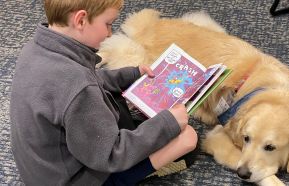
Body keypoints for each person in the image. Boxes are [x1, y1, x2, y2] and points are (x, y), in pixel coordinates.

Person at [9, 0, 198, 185]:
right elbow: (110, 155)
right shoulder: (79, 86)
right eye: (108, 24)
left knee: (117, 100)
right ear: (81, 20)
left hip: (45, 170)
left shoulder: (36, 49)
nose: (110, 33)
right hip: (76, 177)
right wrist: (168, 123)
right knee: (188, 140)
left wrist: (132, 74)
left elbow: (92, 80)